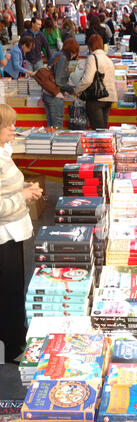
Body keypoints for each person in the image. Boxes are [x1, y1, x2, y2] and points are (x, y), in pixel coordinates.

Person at [0, 104, 43, 363]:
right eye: (7, 124)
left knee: (15, 290)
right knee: (9, 293)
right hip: (4, 236)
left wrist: (25, 186)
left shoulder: (4, 151)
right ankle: (14, 347)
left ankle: (16, 339)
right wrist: (23, 196)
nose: (13, 128)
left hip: (12, 233)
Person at [75, 34, 117, 130]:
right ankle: (104, 144)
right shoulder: (108, 59)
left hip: (96, 97)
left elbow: (87, 80)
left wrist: (77, 90)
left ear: (90, 46)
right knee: (103, 128)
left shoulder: (92, 58)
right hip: (109, 97)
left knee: (98, 130)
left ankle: (100, 144)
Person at [42, 37, 79, 128]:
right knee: (57, 126)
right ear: (72, 51)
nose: (74, 56)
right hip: (54, 95)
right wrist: (71, 90)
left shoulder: (57, 55)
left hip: (47, 93)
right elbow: (59, 81)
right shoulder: (63, 58)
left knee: (51, 127)